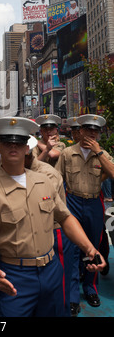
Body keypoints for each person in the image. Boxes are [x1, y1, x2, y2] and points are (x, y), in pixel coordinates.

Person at [0, 116, 106, 318]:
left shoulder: (44, 181)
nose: (13, 147)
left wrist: (90, 249)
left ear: (27, 148)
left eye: (19, 142)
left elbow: (65, 218)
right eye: (7, 142)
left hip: (51, 270)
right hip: (15, 275)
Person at [56, 114, 114, 315]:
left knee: (94, 248)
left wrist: (99, 153)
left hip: (93, 204)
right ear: (79, 131)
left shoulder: (103, 153)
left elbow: (113, 174)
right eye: (87, 129)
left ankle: (90, 289)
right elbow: (56, 180)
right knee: (71, 250)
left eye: (95, 131)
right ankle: (72, 295)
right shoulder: (67, 153)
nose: (91, 133)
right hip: (72, 202)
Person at [25, 135, 74, 317]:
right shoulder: (10, 171)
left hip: (53, 230)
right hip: (27, 237)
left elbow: (55, 213)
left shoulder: (48, 174)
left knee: (58, 287)